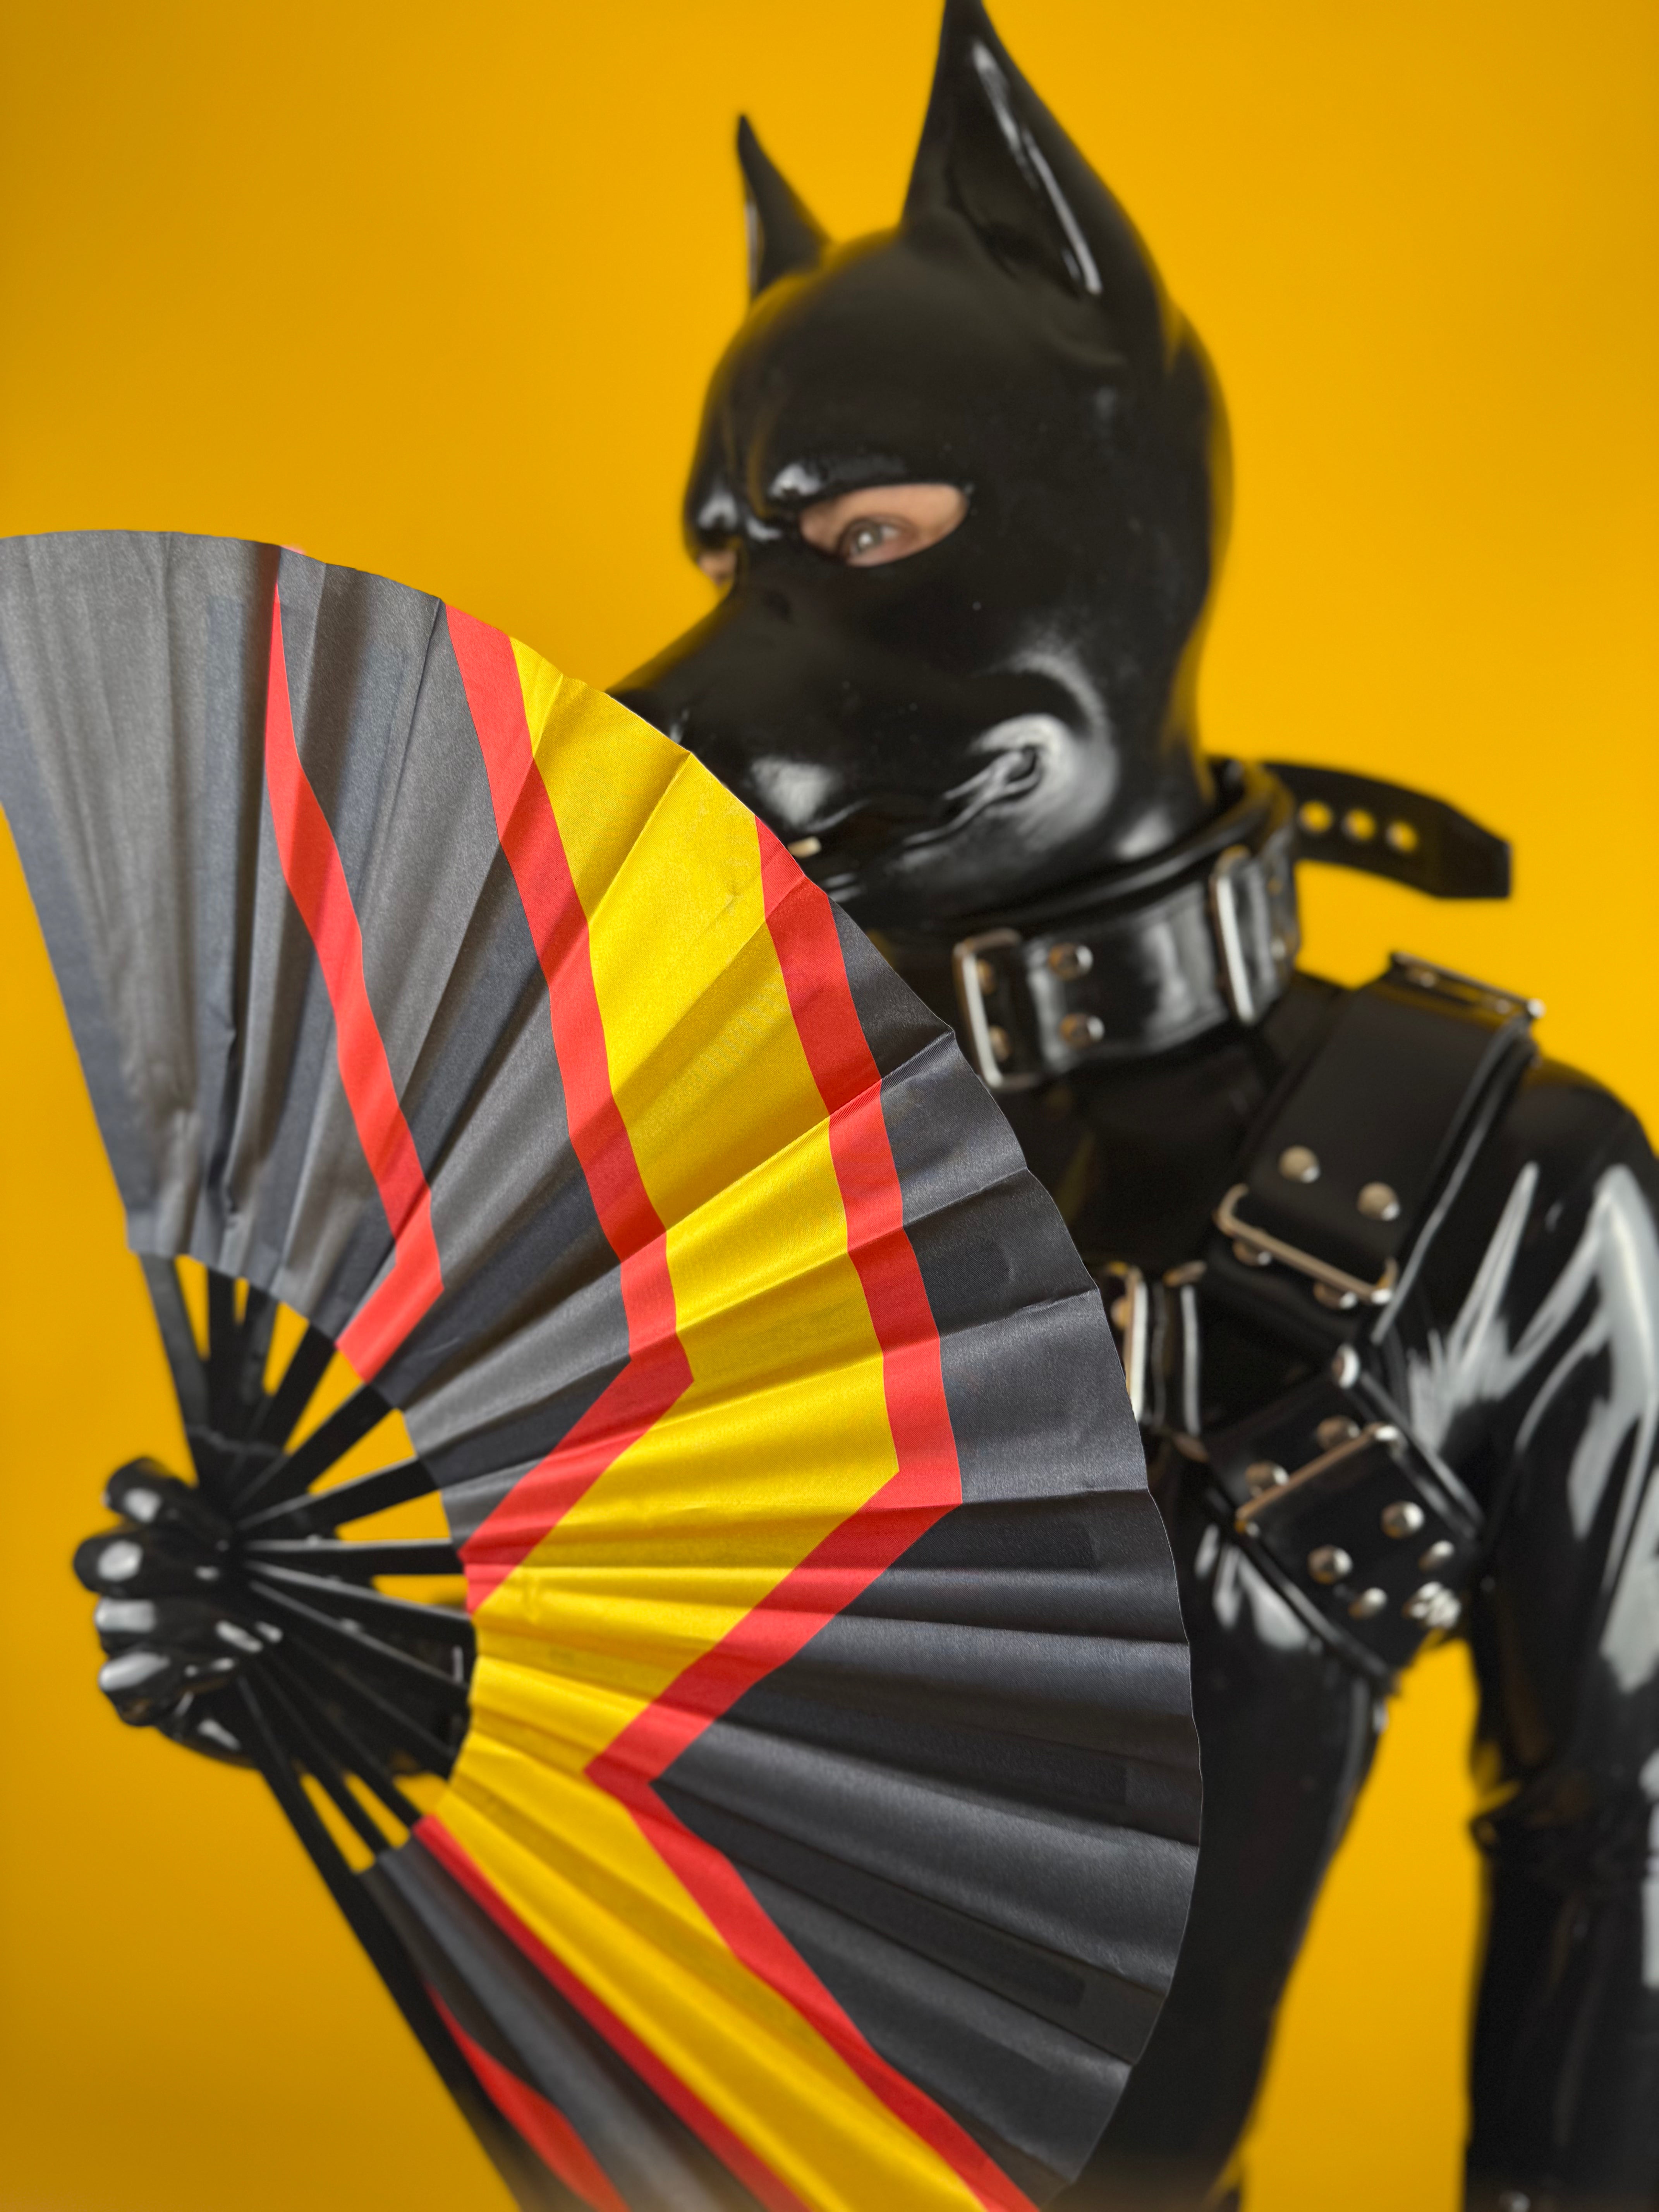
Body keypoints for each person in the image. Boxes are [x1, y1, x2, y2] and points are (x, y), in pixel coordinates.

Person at [613, 3, 1659, 2206]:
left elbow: (1629, 1845)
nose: (704, 677)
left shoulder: (1514, 1195)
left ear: (1118, 519)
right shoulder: (754, 1160)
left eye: (862, 534)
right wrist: (324, 1654)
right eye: (736, 565)